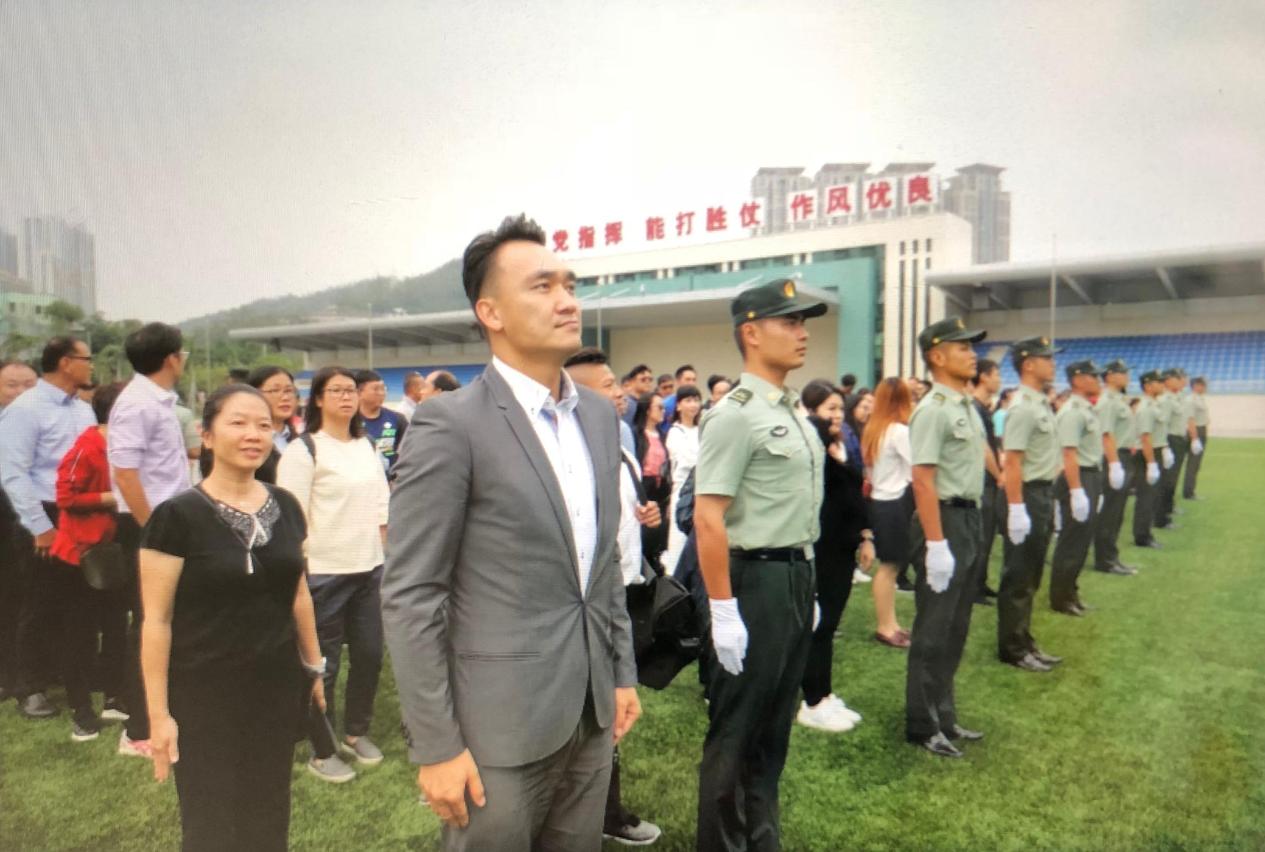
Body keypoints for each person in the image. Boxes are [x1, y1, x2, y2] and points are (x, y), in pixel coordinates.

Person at [381, 215, 639, 851]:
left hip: (589, 710)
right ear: (490, 312)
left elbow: (602, 561)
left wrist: (620, 671)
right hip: (497, 725)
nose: (567, 300)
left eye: (570, 285)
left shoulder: (597, 416)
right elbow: (413, 593)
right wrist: (437, 745)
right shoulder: (451, 424)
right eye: (542, 286)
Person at [140, 384, 324, 852]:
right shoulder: (176, 517)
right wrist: (159, 715)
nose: (253, 434)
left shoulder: (286, 506)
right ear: (207, 435)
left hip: (274, 687)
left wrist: (314, 668)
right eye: (238, 423)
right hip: (203, 694)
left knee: (269, 814)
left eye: (263, 425)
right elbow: (156, 620)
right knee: (211, 825)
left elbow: (298, 592)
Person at [693, 277, 825, 852]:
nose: (802, 333)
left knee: (774, 728)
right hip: (753, 581)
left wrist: (805, 583)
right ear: (751, 333)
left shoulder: (790, 409)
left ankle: (761, 838)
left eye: (803, 322)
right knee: (738, 730)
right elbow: (708, 517)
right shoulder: (735, 415)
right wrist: (724, 610)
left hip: (794, 574)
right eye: (789, 321)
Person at [564, 346, 664, 848]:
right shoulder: (563, 458)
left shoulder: (619, 448)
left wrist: (649, 519)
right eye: (607, 385)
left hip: (623, 591)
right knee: (590, 709)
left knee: (612, 706)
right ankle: (599, 811)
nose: (620, 392)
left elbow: (629, 518)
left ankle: (603, 809)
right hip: (581, 606)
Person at [276, 365, 390, 783]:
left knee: (370, 655)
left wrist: (384, 552)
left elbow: (381, 503)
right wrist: (300, 570)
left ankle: (356, 732)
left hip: (369, 569)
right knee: (322, 664)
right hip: (324, 572)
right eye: (337, 390)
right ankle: (322, 748)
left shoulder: (366, 445)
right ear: (319, 399)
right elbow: (292, 516)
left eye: (351, 390)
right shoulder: (304, 449)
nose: (346, 397)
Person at [904, 317, 989, 758]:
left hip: (969, 518)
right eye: (963, 347)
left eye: (972, 347)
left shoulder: (964, 405)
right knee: (934, 627)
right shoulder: (934, 409)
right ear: (937, 356)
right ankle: (922, 722)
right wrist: (936, 544)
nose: (972, 354)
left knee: (956, 626)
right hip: (944, 520)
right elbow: (923, 478)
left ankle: (945, 713)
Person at [0, 337, 97, 719]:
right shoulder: (26, 410)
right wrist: (40, 527)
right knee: (37, 602)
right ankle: (29, 687)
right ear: (66, 362)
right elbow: (14, 474)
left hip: (80, 513)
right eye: (87, 358)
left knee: (76, 602)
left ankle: (72, 675)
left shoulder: (82, 410)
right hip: (41, 515)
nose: (92, 365)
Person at [109, 321, 192, 756]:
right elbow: (125, 474)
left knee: (163, 619)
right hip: (147, 524)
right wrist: (151, 529)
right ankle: (138, 729)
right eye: (182, 353)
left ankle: (160, 712)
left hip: (167, 520)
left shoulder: (157, 400)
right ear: (172, 359)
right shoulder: (137, 404)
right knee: (149, 622)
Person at [49, 382, 129, 740]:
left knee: (115, 628)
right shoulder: (87, 447)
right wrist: (112, 497)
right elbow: (65, 497)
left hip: (112, 553)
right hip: (79, 556)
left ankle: (113, 696)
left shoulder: (125, 448)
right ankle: (80, 711)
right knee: (79, 634)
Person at [796, 379, 872, 734]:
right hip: (822, 546)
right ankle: (813, 700)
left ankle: (823, 694)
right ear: (812, 410)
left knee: (828, 624)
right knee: (820, 625)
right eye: (830, 409)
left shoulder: (842, 443)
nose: (838, 415)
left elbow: (856, 493)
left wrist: (865, 535)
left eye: (841, 408)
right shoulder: (813, 445)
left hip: (843, 546)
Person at [997, 336, 1064, 673]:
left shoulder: (1039, 402)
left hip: (1042, 493)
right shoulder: (1023, 406)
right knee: (1019, 576)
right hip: (1026, 494)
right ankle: (1012, 648)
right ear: (1028, 364)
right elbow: (1012, 461)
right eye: (1046, 358)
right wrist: (1016, 507)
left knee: (1032, 573)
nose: (1053, 363)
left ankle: (1023, 638)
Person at [1048, 360, 1107, 616]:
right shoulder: (1073, 411)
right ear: (1079, 379)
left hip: (1089, 475)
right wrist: (1076, 491)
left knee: (1082, 541)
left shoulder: (1085, 409)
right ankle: (1061, 598)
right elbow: (1068, 454)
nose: (1099, 380)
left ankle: (1071, 592)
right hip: (1077, 476)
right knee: (1072, 541)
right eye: (1094, 376)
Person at [862, 377, 915, 648]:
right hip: (894, 503)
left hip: (880, 502)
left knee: (890, 567)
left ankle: (890, 623)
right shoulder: (898, 432)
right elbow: (917, 468)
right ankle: (885, 626)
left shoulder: (874, 430)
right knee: (890, 567)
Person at [0, 359, 38, 702]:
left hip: (32, 527)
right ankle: (10, 677)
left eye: (29, 384)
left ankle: (37, 671)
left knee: (32, 599)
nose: (22, 392)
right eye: (12, 385)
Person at [1092, 360, 1139, 576]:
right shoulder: (1108, 401)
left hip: (1123, 456)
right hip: (1114, 456)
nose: (1126, 376)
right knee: (1110, 512)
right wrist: (1113, 464)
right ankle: (1105, 559)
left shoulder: (1118, 399)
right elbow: (1106, 434)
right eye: (1122, 372)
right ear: (1110, 375)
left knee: (1117, 512)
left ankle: (1112, 556)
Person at [971, 359, 1004, 604]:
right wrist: (999, 475)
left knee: (988, 535)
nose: (999, 380)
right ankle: (974, 587)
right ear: (983, 377)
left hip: (989, 482)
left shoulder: (984, 408)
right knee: (981, 537)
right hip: (983, 481)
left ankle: (980, 583)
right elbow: (983, 449)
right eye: (996, 374)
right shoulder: (975, 408)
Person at [663, 384, 702, 573]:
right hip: (683, 491)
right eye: (688, 400)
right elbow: (688, 460)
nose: (693, 404)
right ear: (678, 405)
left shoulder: (701, 430)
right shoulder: (675, 432)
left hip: (701, 491)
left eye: (696, 400)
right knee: (679, 541)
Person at [634, 392, 673, 569]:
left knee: (660, 532)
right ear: (647, 410)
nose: (663, 411)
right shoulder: (637, 434)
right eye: (659, 407)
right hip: (645, 487)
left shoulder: (663, 435)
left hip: (661, 489)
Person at [245, 366, 300, 484]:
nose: (285, 397)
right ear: (254, 394)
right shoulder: (247, 440)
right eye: (275, 390)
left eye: (289, 390)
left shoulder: (300, 441)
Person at [1131, 371, 1167, 549]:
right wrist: (1151, 463)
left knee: (1151, 495)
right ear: (1148, 386)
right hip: (1147, 455)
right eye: (1158, 382)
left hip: (1153, 451)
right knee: (1146, 496)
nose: (1162, 384)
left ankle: (1145, 532)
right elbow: (1145, 437)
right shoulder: (1146, 407)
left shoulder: (1154, 405)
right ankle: (1142, 536)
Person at [355, 369, 409, 474]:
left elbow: (409, 451)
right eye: (376, 389)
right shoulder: (349, 421)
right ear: (359, 392)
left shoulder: (398, 419)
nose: (382, 393)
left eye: (383, 389)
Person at [1183, 377, 1210, 499]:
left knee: (1196, 464)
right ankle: (1189, 492)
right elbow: (1190, 420)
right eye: (1203, 385)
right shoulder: (1191, 400)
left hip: (1201, 430)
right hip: (1196, 431)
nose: (1205, 387)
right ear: (1196, 386)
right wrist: (1194, 438)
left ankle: (1190, 490)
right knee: (1193, 463)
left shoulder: (1200, 398)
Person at [661, 364, 697, 432]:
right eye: (688, 379)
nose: (691, 383)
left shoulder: (697, 405)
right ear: (677, 381)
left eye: (694, 380)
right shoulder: (665, 404)